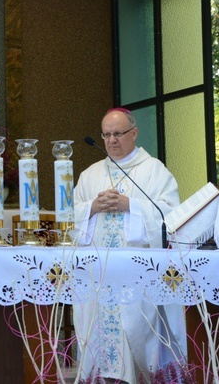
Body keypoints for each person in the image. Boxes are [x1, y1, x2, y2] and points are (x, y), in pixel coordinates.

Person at [72, 107, 185, 382]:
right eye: (107, 134)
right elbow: (69, 218)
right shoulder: (90, 175)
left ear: (134, 133)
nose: (111, 140)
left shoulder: (153, 171)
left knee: (135, 331)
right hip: (99, 277)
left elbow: (171, 216)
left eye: (118, 134)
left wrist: (131, 205)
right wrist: (92, 208)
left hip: (138, 277)